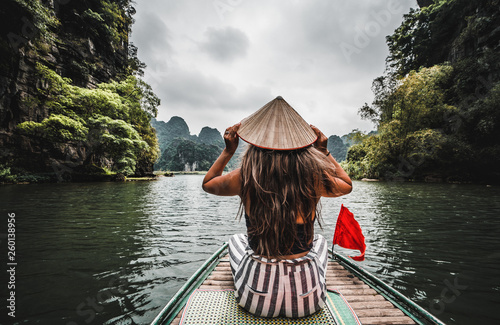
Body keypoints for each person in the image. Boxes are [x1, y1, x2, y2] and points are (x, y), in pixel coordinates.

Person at [202, 96, 352, 318]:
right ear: (300, 142)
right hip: (307, 300)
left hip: (256, 300)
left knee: (235, 241)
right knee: (320, 242)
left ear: (257, 141)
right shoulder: (314, 177)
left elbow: (208, 184)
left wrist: (228, 151)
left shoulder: (245, 176)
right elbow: (347, 185)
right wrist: (324, 152)